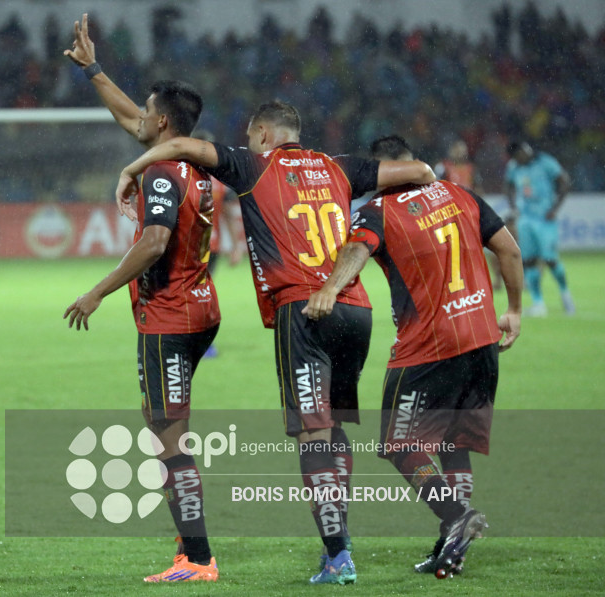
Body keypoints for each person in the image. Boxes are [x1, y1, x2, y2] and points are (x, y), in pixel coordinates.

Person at [116, 101, 436, 585]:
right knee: (335, 426)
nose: (246, 146)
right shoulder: (339, 167)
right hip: (356, 308)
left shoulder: (253, 165)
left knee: (312, 433)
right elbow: (422, 171)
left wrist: (132, 167)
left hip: (304, 311)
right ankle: (341, 540)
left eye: (250, 137)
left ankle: (337, 555)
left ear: (263, 133)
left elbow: (179, 143)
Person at [304, 135, 523, 577]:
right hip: (482, 339)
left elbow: (356, 251)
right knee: (453, 444)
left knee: (400, 444)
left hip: (430, 347)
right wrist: (514, 310)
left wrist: (329, 288)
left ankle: (456, 516)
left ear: (385, 169)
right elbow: (509, 250)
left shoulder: (380, 212)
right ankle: (452, 547)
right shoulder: (462, 195)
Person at [62, 14, 220, 583]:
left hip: (169, 317)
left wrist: (98, 290)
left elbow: (154, 242)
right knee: (167, 427)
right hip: (201, 308)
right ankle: (191, 539)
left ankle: (197, 559)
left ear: (162, 122)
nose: (137, 121)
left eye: (147, 112)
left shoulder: (161, 175)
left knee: (168, 438)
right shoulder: (198, 165)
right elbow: (133, 118)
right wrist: (94, 70)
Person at [191, 128, 244, 358]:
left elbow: (227, 214)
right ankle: (194, 340)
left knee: (198, 293)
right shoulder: (188, 177)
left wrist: (235, 246)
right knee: (196, 293)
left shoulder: (212, 180)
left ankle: (199, 341)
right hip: (193, 246)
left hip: (207, 247)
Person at [505, 140, 574, 316]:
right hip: (525, 219)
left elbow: (564, 181)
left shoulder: (546, 162)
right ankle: (538, 304)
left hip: (544, 219)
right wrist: (513, 207)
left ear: (523, 151)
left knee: (550, 259)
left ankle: (565, 293)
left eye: (517, 157)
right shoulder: (514, 166)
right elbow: (509, 186)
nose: (516, 161)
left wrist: (555, 208)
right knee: (528, 260)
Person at [435, 139, 505, 290]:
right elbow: (435, 188)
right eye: (457, 148)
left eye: (463, 148)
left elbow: (478, 189)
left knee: (490, 246)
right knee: (452, 250)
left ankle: (496, 279)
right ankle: (456, 280)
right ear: (451, 151)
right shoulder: (443, 167)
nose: (460, 152)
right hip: (449, 215)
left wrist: (480, 208)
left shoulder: (471, 169)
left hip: (470, 213)